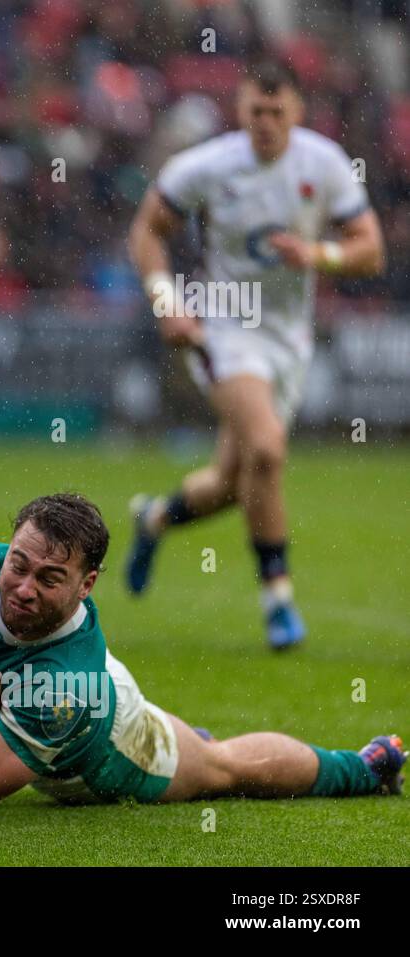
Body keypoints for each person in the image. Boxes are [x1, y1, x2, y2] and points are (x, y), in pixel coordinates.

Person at [0, 494, 404, 816]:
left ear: (86, 585)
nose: (22, 589)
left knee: (225, 768)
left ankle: (366, 767)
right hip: (8, 699)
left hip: (106, 738)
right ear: (7, 546)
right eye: (18, 565)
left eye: (49, 579)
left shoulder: (68, 690)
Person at [125, 60, 385, 649]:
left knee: (234, 480)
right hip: (224, 323)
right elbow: (147, 231)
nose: (265, 123)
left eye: (276, 112)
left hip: (289, 339)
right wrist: (167, 301)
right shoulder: (206, 166)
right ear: (240, 112)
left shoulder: (324, 164)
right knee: (267, 450)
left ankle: (155, 518)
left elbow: (371, 251)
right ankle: (279, 601)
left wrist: (320, 256)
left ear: (297, 112)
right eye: (254, 112)